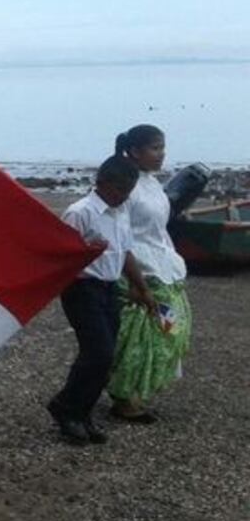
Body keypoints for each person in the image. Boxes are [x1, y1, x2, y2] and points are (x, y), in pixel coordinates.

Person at [47, 155, 156, 446]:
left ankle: (82, 413)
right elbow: (60, 254)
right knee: (98, 352)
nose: (123, 196)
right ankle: (66, 408)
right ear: (102, 183)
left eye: (128, 191)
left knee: (107, 356)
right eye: (119, 190)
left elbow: (125, 252)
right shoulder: (80, 212)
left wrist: (141, 287)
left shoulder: (120, 212)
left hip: (110, 288)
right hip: (82, 288)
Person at [108, 125, 193, 423]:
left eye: (162, 147)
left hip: (164, 263)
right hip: (141, 268)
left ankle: (136, 391)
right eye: (155, 148)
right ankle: (125, 397)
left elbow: (158, 227)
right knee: (141, 335)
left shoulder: (152, 183)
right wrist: (134, 278)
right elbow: (119, 232)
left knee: (171, 329)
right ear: (134, 151)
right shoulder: (125, 184)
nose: (162, 153)